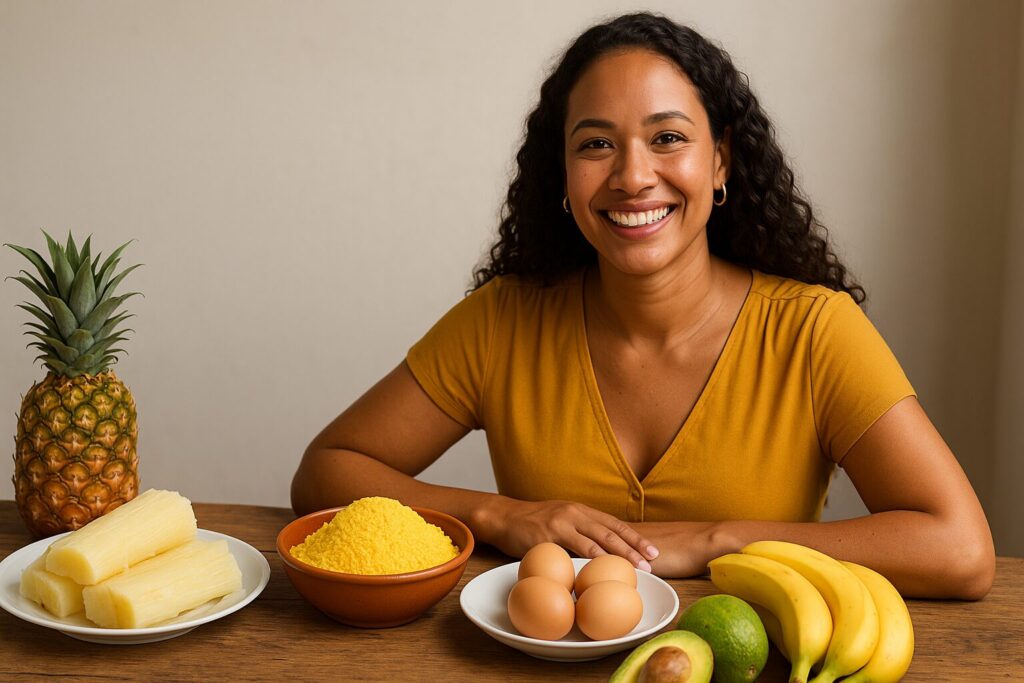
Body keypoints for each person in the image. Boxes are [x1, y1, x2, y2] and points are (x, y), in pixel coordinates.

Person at [291, 12, 994, 599]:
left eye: (668, 138)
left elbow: (961, 549)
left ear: (719, 163)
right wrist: (501, 515)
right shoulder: (502, 321)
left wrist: (721, 538)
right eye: (597, 144)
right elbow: (327, 468)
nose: (632, 176)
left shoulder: (814, 331)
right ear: (562, 175)